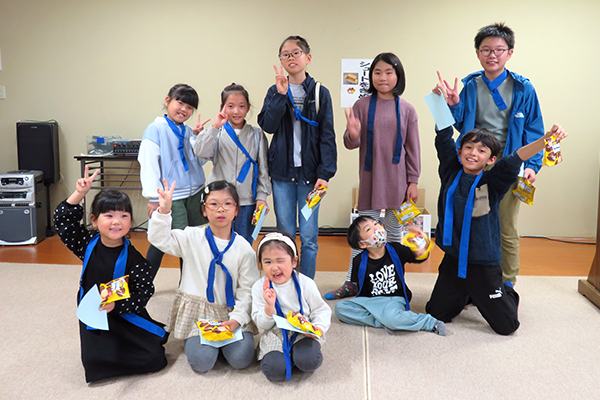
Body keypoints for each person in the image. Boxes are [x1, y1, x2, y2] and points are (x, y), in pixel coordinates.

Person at [425, 123, 567, 335]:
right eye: (468, 147)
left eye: (481, 150)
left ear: (491, 159)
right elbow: (443, 138)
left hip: (483, 264)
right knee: (435, 313)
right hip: (454, 260)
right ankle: (467, 293)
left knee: (507, 326)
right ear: (459, 151)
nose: (473, 153)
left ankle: (507, 290)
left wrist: (544, 140)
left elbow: (515, 158)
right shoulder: (450, 172)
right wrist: (442, 107)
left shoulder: (493, 181)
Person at [434, 23, 545, 285]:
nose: (492, 55)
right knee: (469, 221)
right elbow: (458, 125)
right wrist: (452, 104)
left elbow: (533, 128)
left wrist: (532, 165)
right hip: (473, 162)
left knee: (505, 225)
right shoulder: (470, 85)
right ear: (477, 53)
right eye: (486, 50)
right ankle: (470, 281)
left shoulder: (523, 88)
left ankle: (507, 284)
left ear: (510, 53)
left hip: (507, 163)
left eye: (499, 50)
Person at [53, 166, 167, 383]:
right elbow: (62, 221)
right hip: (95, 313)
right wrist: (79, 193)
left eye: (124, 216)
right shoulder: (87, 244)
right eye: (109, 215)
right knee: (95, 363)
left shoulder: (135, 259)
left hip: (124, 313)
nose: (116, 221)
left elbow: (144, 292)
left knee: (155, 359)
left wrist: (117, 305)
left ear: (131, 221)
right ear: (94, 220)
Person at [325, 52, 421, 300]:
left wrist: (413, 181)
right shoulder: (361, 105)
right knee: (362, 235)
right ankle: (352, 282)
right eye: (377, 72)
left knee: (394, 235)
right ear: (371, 76)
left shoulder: (408, 109)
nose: (382, 77)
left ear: (398, 76)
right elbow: (350, 144)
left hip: (398, 181)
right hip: (370, 178)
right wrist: (352, 133)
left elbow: (413, 148)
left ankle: (395, 281)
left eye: (389, 72)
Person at [148, 179, 259, 373]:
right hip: (199, 314)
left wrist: (237, 319)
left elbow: (247, 290)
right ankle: (209, 346)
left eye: (227, 204)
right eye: (213, 204)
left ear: (236, 210)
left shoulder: (244, 249)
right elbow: (159, 239)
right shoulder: (191, 236)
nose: (221, 209)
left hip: (231, 311)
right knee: (202, 363)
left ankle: (222, 346)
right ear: (204, 210)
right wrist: (164, 211)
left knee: (241, 359)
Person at [258, 35, 337, 279]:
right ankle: (287, 285)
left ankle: (307, 287)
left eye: (296, 53)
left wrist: (325, 174)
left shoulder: (320, 92)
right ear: (281, 60)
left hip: (311, 177)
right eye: (285, 54)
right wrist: (281, 95)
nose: (291, 57)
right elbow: (268, 126)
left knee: (310, 238)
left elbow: (327, 136)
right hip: (282, 175)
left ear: (307, 58)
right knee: (285, 235)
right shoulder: (274, 91)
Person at [138, 83, 210, 277]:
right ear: (168, 101)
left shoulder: (188, 131)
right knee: (165, 239)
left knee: (193, 239)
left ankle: (188, 284)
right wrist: (154, 197)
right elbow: (148, 164)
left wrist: (198, 138)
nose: (184, 109)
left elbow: (200, 161)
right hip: (171, 196)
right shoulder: (155, 129)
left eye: (189, 107)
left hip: (195, 193)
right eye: (180, 103)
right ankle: (144, 283)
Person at [334, 216, 446, 336]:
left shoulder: (396, 249)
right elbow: (359, 287)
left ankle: (428, 322)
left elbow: (419, 257)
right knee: (340, 308)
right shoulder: (358, 260)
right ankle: (385, 321)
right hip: (371, 301)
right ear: (362, 244)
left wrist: (420, 241)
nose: (376, 229)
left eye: (376, 224)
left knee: (391, 317)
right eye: (368, 229)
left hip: (394, 299)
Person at [193, 83, 271, 244]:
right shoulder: (216, 132)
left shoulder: (256, 134)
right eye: (230, 106)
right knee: (218, 243)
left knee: (243, 245)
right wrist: (214, 127)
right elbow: (200, 152)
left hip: (246, 202)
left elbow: (263, 169)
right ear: (222, 107)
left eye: (241, 106)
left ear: (248, 108)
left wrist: (262, 197)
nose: (236, 111)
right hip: (220, 201)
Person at [251, 232, 331, 381]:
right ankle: (289, 357)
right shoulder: (259, 287)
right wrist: (269, 306)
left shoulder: (305, 283)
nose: (274, 267)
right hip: (275, 333)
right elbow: (262, 325)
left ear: (294, 261)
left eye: (280, 260)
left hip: (302, 331)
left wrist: (319, 328)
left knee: (310, 361)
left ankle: (295, 355)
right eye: (267, 262)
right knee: (274, 370)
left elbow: (321, 310)